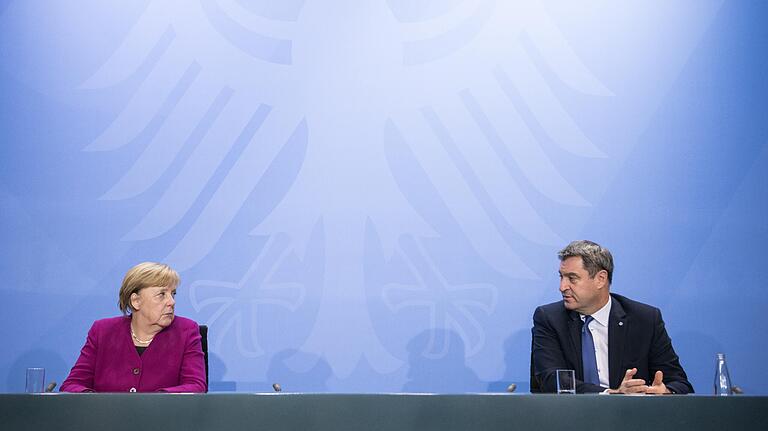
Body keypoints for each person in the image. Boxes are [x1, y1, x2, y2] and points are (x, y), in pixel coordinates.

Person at [531, 240, 693, 394]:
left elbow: (678, 382)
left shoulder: (644, 319)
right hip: (571, 417)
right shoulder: (549, 318)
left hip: (632, 417)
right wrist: (611, 394)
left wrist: (663, 391)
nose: (562, 287)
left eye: (572, 278)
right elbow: (551, 380)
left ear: (601, 279)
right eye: (561, 277)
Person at [61, 262, 207, 393]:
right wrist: (93, 401)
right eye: (162, 294)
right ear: (136, 301)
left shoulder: (186, 330)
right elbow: (72, 384)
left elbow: (195, 386)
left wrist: (157, 402)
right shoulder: (103, 331)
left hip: (164, 420)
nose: (171, 301)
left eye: (173, 294)